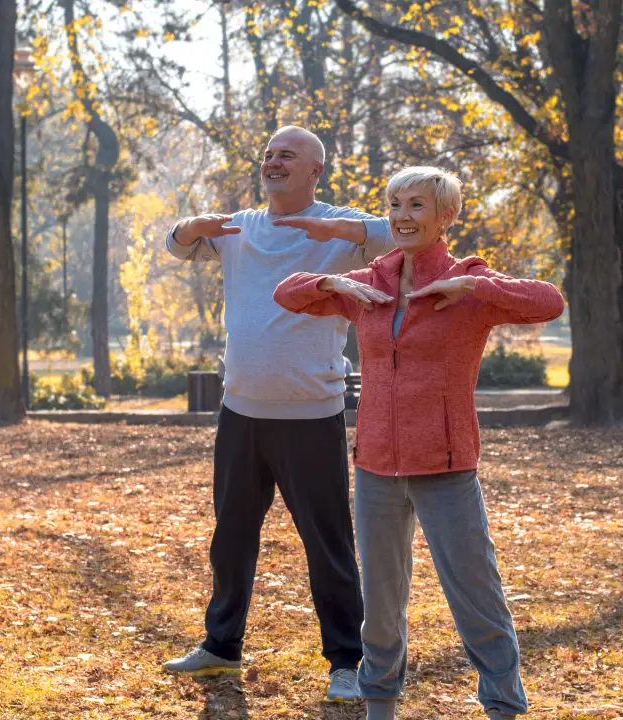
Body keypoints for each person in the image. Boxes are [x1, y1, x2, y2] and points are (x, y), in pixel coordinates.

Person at [272, 166, 565, 720]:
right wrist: (332, 284)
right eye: (395, 205)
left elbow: (548, 302)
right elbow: (286, 293)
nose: (402, 217)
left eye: (416, 207)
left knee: (476, 595)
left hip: (446, 467)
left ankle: (503, 704)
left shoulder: (468, 283)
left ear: (444, 217)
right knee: (381, 604)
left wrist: (476, 286)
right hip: (376, 467)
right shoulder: (371, 283)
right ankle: (380, 703)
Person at [160, 125, 395, 703]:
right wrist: (191, 227)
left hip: (311, 417)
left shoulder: (344, 227)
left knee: (329, 544)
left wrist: (336, 229)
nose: (273, 161)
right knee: (231, 537)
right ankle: (220, 646)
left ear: (316, 170)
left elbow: (404, 234)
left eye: (287, 154)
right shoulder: (240, 227)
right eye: (268, 154)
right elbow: (176, 245)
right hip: (240, 412)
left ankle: (347, 662)